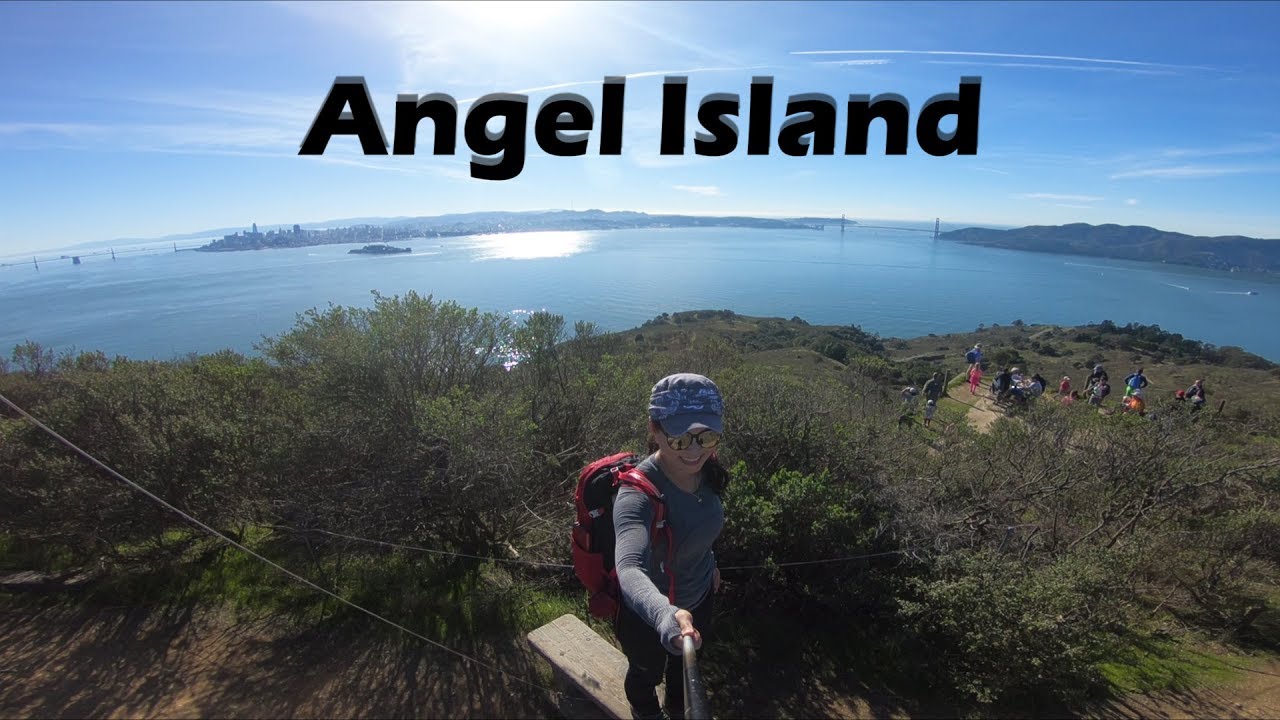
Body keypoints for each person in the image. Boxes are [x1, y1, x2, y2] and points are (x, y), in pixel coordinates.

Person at [614, 373, 727, 720]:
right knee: (645, 671)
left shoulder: (709, 471)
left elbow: (699, 527)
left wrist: (710, 562)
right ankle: (646, 712)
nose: (694, 451)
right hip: (648, 614)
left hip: (699, 597)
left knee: (684, 670)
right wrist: (664, 614)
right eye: (679, 438)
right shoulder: (636, 494)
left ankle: (676, 710)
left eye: (706, 436)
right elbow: (629, 567)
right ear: (655, 429)